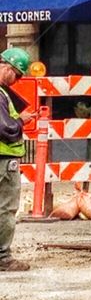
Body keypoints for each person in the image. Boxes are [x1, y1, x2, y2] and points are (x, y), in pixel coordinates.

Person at [0, 48, 35, 272]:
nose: (17, 80)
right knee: (5, 208)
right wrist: (20, 121)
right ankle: (3, 256)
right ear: (6, 67)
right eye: (17, 74)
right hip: (4, 160)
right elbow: (5, 128)